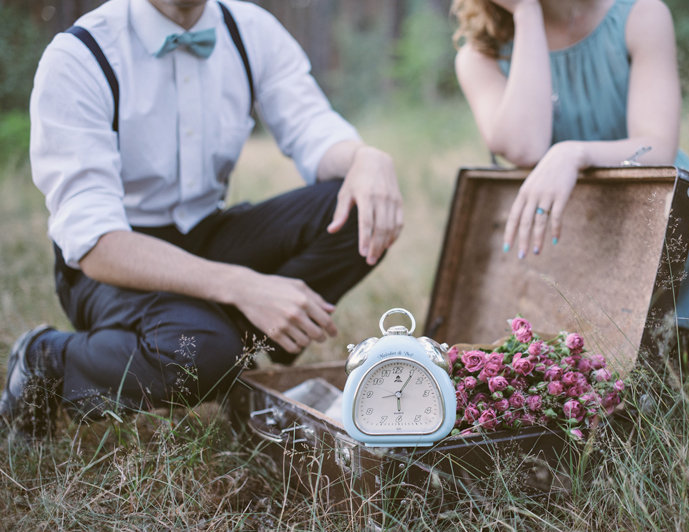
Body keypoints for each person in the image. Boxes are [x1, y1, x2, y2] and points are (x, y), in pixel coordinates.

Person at [0, 0, 403, 434]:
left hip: (206, 232)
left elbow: (313, 129)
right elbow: (96, 243)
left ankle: (229, 349)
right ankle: (50, 359)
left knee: (361, 209)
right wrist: (243, 286)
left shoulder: (250, 29)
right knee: (200, 350)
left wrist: (366, 157)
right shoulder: (80, 54)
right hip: (112, 265)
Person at [452, 0, 689, 413]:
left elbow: (658, 145)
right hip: (564, 224)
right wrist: (526, 13)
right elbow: (525, 146)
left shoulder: (639, 15)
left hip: (651, 200)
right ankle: (612, 389)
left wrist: (574, 153)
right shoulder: (479, 55)